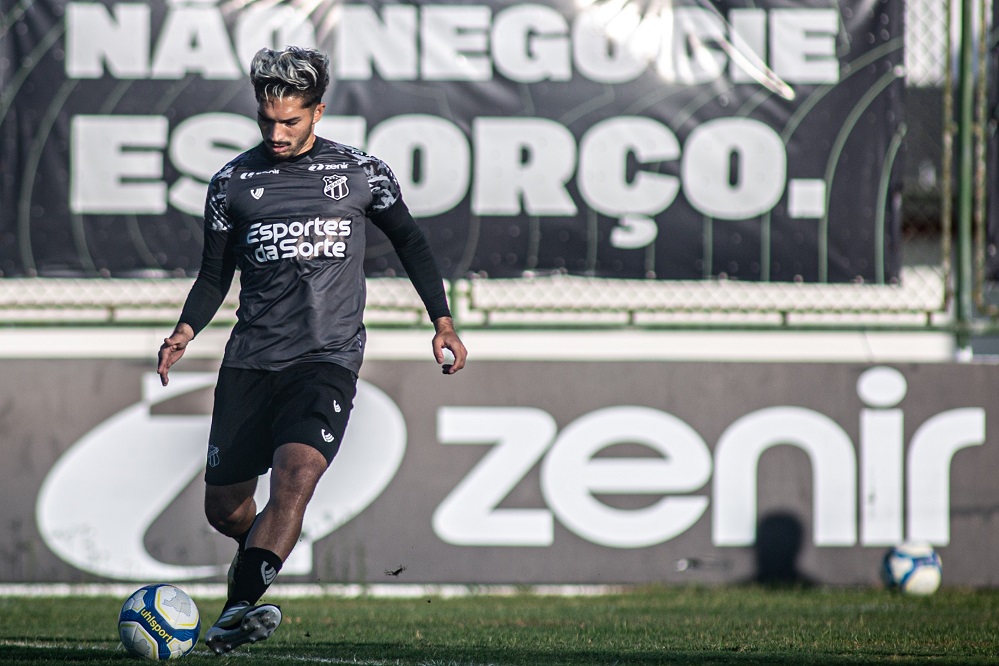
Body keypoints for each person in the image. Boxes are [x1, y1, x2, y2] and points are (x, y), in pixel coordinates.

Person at [156, 45, 467, 655]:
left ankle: (238, 608)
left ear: (318, 112)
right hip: (250, 361)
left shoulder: (361, 174)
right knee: (225, 508)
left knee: (296, 477)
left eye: (291, 121)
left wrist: (444, 322)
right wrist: (185, 331)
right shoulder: (231, 184)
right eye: (267, 120)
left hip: (327, 358)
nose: (277, 132)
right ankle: (253, 563)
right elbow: (214, 276)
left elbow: (412, 244)